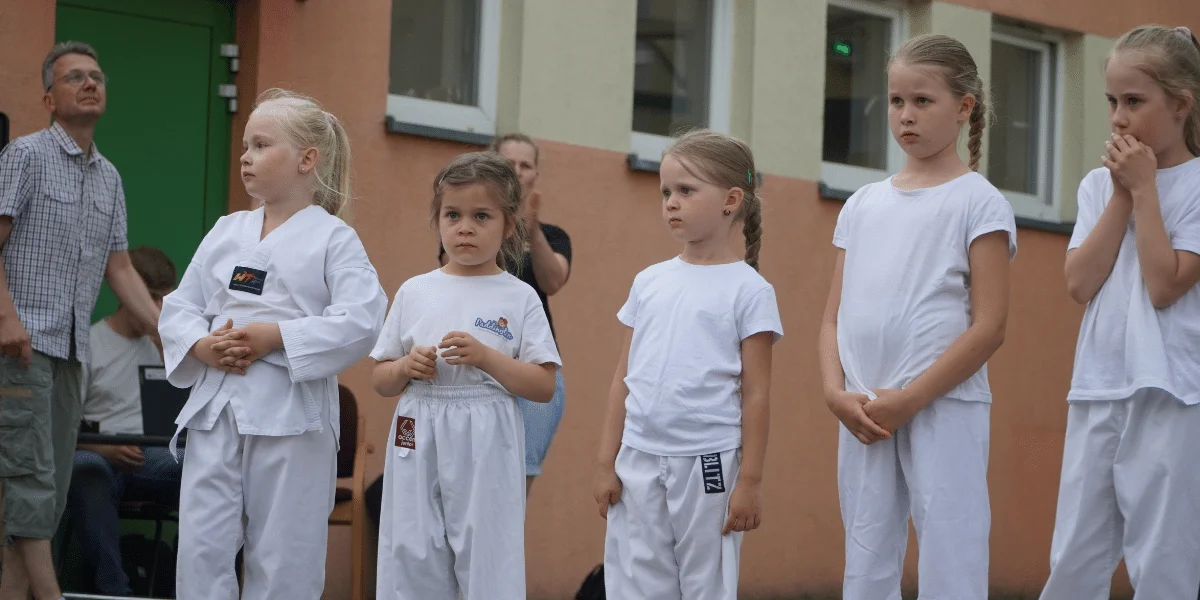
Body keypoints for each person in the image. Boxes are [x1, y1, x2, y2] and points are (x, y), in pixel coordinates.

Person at [157, 88, 387, 599]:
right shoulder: (226, 230)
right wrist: (201, 346)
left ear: (308, 159)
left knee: (284, 552)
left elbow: (363, 318)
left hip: (291, 412)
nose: (246, 156)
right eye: (244, 146)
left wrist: (276, 336)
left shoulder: (333, 238)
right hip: (218, 407)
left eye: (262, 145)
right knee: (201, 545)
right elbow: (181, 306)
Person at [818, 34, 1016, 600]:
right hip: (864, 411)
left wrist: (913, 396)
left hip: (942, 406)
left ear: (965, 106)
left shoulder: (979, 202)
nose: (906, 116)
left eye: (923, 101)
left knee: (951, 554)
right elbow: (830, 320)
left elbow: (990, 325)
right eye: (897, 101)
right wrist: (836, 393)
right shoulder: (862, 204)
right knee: (865, 556)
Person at [1040, 25, 1200, 599]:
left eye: (1135, 101)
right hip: (1098, 386)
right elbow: (1080, 282)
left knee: (1163, 557)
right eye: (1112, 101)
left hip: (1173, 393)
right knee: (1075, 555)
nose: (1118, 118)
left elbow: (1164, 285)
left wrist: (1146, 192)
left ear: (1181, 105)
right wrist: (1119, 194)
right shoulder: (1096, 186)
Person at [0, 41, 162, 600]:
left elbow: (119, 268)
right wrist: (6, 317)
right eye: (74, 78)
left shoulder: (110, 177)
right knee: (30, 481)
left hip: (73, 351)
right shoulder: (24, 155)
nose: (90, 83)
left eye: (96, 76)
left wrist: (168, 332)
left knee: (48, 489)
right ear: (49, 97)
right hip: (21, 345)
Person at [593, 129, 782, 600]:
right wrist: (606, 460)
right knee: (634, 584)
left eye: (686, 190)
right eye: (665, 192)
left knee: (704, 586)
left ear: (731, 199)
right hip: (637, 457)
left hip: (708, 462)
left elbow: (757, 393)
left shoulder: (749, 290)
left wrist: (751, 481)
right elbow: (624, 377)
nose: (671, 202)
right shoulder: (649, 281)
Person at [373, 151, 561, 600]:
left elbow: (543, 385)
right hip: (417, 426)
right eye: (452, 215)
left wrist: (486, 358)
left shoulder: (519, 297)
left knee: (487, 551)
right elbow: (381, 378)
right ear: (437, 220)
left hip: (487, 430)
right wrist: (404, 367)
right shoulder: (415, 290)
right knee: (411, 547)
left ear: (508, 225)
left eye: (482, 216)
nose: (465, 227)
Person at [439, 133, 572, 494]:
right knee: (463, 484)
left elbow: (553, 280)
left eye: (525, 165)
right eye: (508, 163)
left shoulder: (554, 235)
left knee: (512, 488)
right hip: (470, 367)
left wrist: (531, 230)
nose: (516, 171)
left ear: (535, 176)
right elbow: (456, 273)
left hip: (530, 369)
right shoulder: (468, 227)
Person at [68, 245, 182, 595]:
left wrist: (170, 356)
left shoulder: (162, 345)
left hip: (154, 456)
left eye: (165, 301)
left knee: (209, 465)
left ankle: (190, 583)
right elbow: (62, 427)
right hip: (98, 454)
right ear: (127, 294)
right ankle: (114, 590)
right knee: (85, 467)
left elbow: (176, 426)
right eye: (152, 299)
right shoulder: (89, 344)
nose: (157, 310)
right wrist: (105, 449)